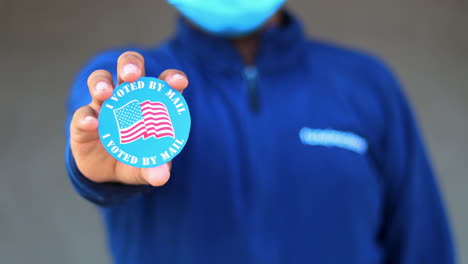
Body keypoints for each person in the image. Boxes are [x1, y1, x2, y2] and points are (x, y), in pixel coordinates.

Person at [65, 0, 456, 263]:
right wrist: (102, 173)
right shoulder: (130, 81)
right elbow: (97, 150)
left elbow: (422, 241)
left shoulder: (366, 82)